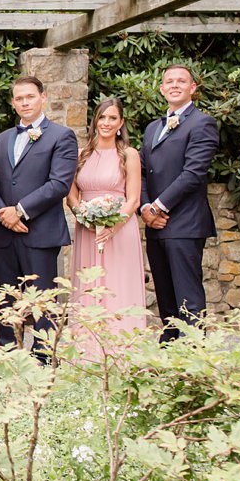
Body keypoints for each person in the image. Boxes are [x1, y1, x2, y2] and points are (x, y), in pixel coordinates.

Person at [0, 76, 79, 360]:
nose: (24, 102)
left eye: (29, 96)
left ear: (43, 97)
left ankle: (42, 359)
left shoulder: (61, 136)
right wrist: (5, 214)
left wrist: (21, 210)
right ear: (13, 102)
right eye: (19, 98)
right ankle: (8, 355)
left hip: (40, 232)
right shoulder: (2, 139)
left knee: (42, 300)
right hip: (5, 232)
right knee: (6, 300)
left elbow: (59, 184)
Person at [138, 64, 219, 341]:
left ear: (192, 88)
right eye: (169, 81)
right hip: (155, 224)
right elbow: (141, 171)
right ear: (161, 89)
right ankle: (169, 351)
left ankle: (193, 355)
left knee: (189, 298)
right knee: (165, 296)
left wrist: (158, 206)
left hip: (184, 223)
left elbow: (193, 173)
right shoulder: (152, 128)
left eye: (181, 81)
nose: (174, 85)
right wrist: (145, 208)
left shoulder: (202, 123)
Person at [67, 97, 147, 353]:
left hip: (120, 231)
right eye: (102, 117)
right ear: (95, 121)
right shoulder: (81, 154)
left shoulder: (129, 155)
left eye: (112, 118)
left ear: (121, 123)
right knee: (89, 287)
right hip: (87, 230)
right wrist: (85, 216)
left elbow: (133, 199)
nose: (106, 122)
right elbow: (71, 195)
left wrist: (113, 225)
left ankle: (121, 351)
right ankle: (86, 352)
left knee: (117, 284)